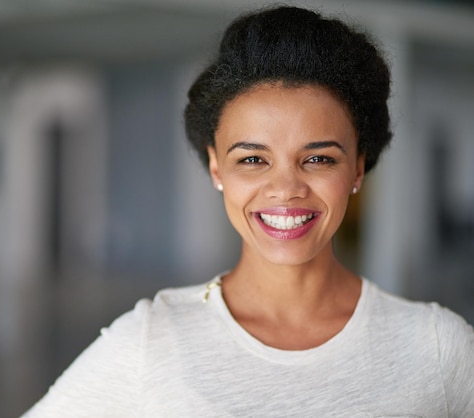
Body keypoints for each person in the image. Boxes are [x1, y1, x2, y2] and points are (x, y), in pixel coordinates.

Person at [23, 5, 474, 417]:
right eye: (253, 159)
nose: (285, 189)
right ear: (217, 167)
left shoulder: (437, 346)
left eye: (319, 158)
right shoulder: (150, 341)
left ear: (357, 167)